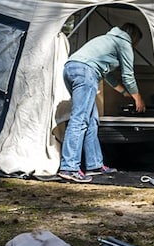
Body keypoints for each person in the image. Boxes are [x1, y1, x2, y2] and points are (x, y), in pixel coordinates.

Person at [59, 23, 145, 183]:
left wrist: (124, 92)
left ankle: (94, 165)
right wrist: (138, 97)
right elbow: (128, 75)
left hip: (71, 69)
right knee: (80, 119)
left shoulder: (107, 39)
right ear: (134, 38)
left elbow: (107, 75)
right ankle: (69, 167)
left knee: (91, 120)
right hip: (85, 72)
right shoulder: (124, 43)